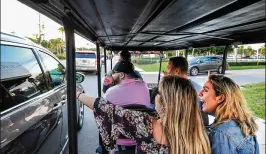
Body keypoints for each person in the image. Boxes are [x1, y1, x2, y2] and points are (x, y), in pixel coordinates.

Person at [77, 76, 211, 154]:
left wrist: (77, 94)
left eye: (158, 92)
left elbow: (105, 108)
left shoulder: (147, 124)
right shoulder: (202, 136)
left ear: (165, 101)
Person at [199, 74, 259, 154]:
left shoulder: (221, 133)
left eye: (205, 90)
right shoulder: (243, 123)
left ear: (220, 98)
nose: (200, 93)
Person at [160, 56, 209, 125]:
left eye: (168, 68)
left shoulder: (175, 90)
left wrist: (166, 82)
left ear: (177, 71)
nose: (166, 71)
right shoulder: (198, 87)